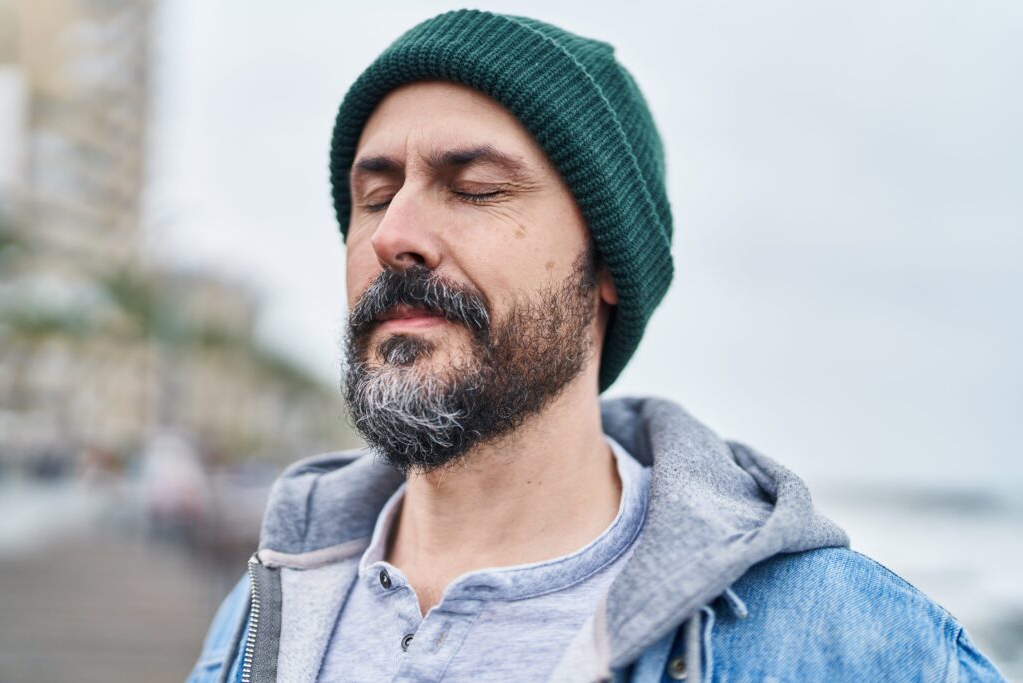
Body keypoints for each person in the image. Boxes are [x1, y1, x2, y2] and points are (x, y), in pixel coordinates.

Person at [187, 10, 1005, 683]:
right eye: (372, 197)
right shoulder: (270, 606)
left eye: (474, 189)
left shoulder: (852, 647)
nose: (394, 234)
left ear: (609, 262)